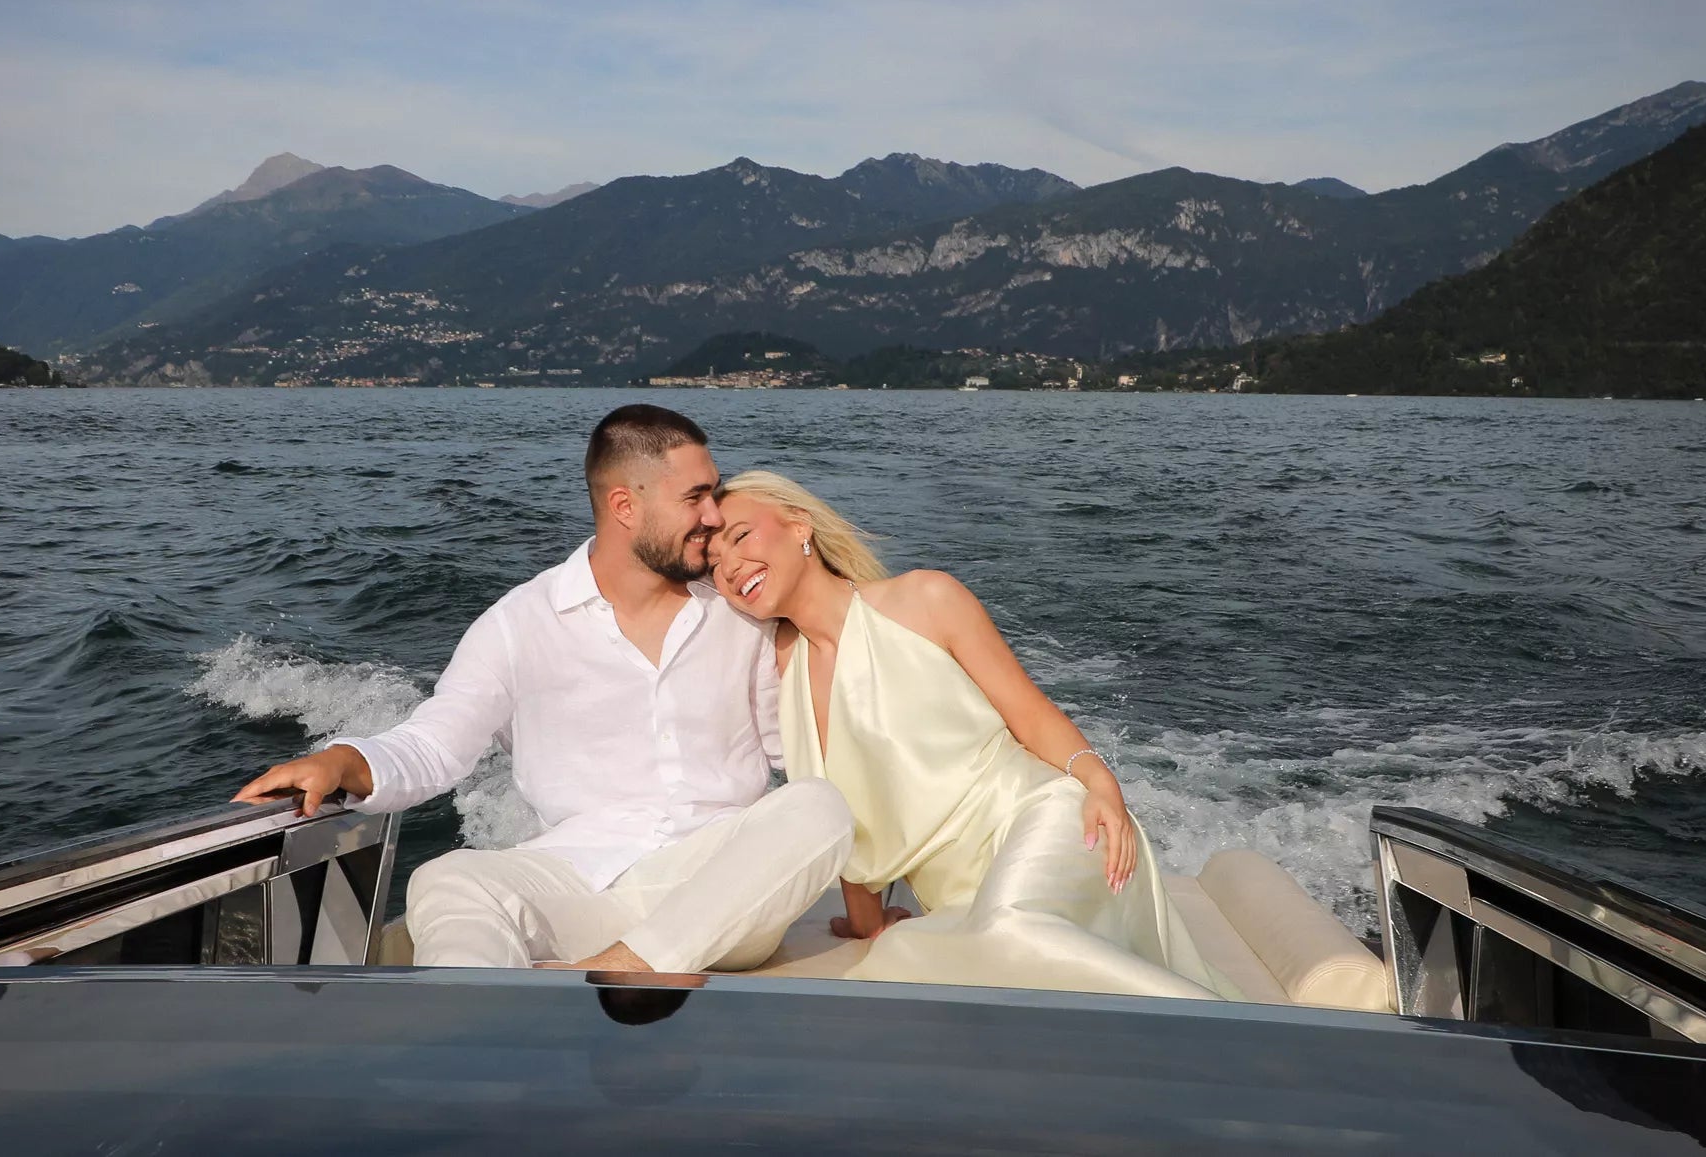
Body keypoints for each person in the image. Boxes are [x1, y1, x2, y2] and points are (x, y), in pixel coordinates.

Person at [233, 406, 853, 973]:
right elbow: (436, 742)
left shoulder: (741, 616)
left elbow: (795, 755)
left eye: (712, 496)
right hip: (580, 882)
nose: (715, 517)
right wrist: (341, 760)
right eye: (696, 497)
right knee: (448, 879)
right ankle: (495, 1029)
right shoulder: (519, 622)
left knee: (819, 806)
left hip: (720, 890)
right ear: (625, 506)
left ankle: (625, 972)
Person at [706, 470, 1237, 999]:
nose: (730, 567)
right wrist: (865, 924)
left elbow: (1029, 714)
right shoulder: (782, 669)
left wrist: (1102, 785)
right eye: (713, 563)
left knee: (1012, 930)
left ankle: (1227, 1036)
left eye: (740, 536)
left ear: (799, 526)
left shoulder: (924, 599)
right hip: (956, 898)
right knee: (895, 955)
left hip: (1042, 822)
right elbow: (849, 820)